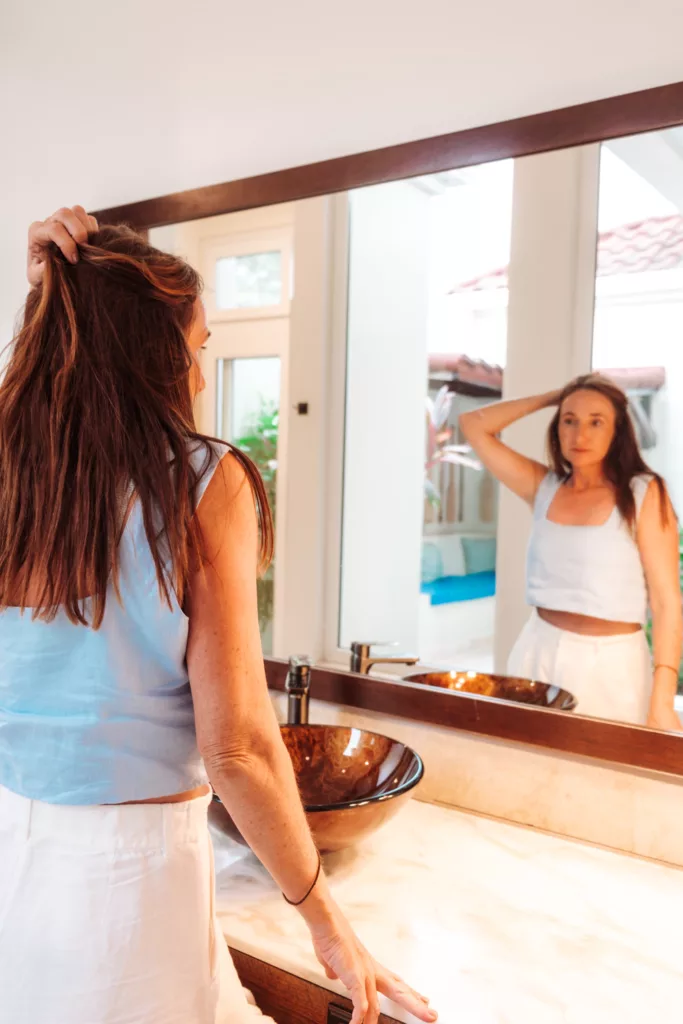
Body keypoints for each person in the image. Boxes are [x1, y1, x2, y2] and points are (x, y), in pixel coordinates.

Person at [0, 207, 438, 1024]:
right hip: (130, 879)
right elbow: (235, 745)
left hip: (16, 856)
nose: (201, 375)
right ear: (151, 356)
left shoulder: (17, 480)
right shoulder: (199, 480)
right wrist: (327, 921)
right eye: (197, 348)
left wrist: (55, 299)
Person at [460, 375, 682, 730]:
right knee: (529, 767)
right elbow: (473, 425)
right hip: (538, 648)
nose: (581, 434)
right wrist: (553, 396)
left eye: (597, 421)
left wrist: (663, 697)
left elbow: (667, 600)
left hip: (612, 665)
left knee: (606, 776)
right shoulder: (545, 486)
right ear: (557, 428)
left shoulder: (644, 493)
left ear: (617, 431)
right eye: (570, 420)